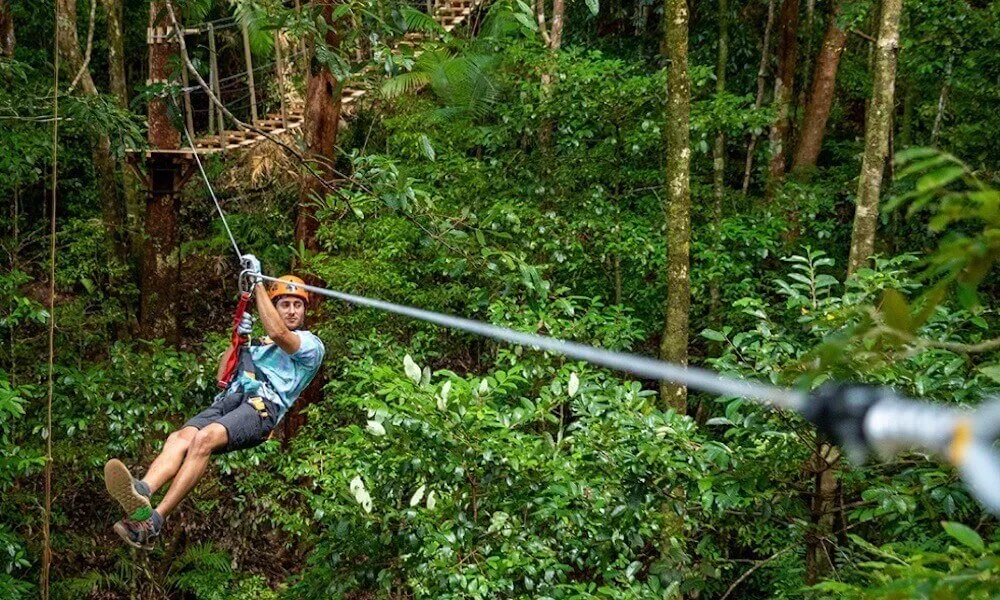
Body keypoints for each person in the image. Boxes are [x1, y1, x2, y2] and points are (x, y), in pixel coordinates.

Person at [103, 256, 325, 549]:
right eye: (285, 304)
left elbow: (278, 333)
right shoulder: (258, 344)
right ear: (276, 307)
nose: (292, 310)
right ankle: (142, 490)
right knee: (181, 437)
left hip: (261, 408)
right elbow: (222, 376)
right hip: (231, 399)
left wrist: (257, 283)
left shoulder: (310, 346)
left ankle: (154, 522)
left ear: (305, 311)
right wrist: (238, 339)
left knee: (204, 439)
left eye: (298, 305)